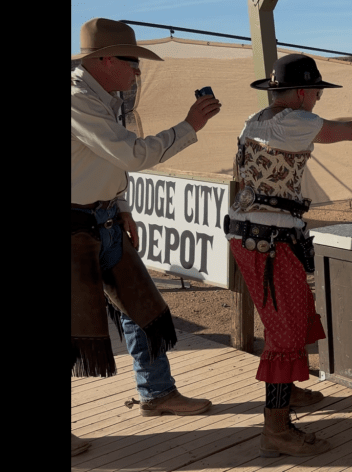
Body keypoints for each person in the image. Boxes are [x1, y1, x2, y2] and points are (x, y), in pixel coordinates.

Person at [225, 53, 352, 458]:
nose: (318, 99)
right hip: (268, 242)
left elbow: (338, 124)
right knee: (286, 330)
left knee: (286, 318)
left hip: (257, 236)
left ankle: (286, 392)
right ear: (303, 93)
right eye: (316, 92)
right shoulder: (294, 122)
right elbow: (347, 131)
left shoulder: (260, 118)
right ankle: (276, 429)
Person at [71, 18, 222, 456]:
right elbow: (130, 154)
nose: (138, 70)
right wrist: (188, 126)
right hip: (76, 226)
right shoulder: (78, 100)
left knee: (142, 311)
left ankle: (157, 393)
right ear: (105, 60)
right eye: (132, 60)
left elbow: (103, 161)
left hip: (101, 219)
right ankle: (156, 392)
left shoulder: (99, 97)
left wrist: (120, 206)